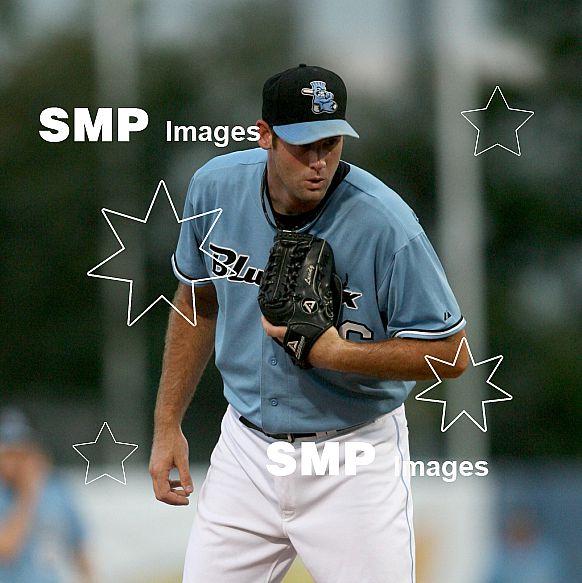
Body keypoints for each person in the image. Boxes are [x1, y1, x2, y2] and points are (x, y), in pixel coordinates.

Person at [149, 64, 468, 583]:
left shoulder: (386, 224)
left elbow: (453, 353)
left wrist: (335, 354)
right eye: (303, 145)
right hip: (247, 450)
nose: (319, 161)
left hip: (352, 457)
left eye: (330, 143)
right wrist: (167, 426)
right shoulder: (214, 190)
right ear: (266, 136)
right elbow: (196, 299)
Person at [0, 407, 93, 583]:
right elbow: (6, 549)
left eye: (21, 454)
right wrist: (28, 494)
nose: (17, 463)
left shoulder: (56, 490)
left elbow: (78, 546)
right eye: (9, 455)